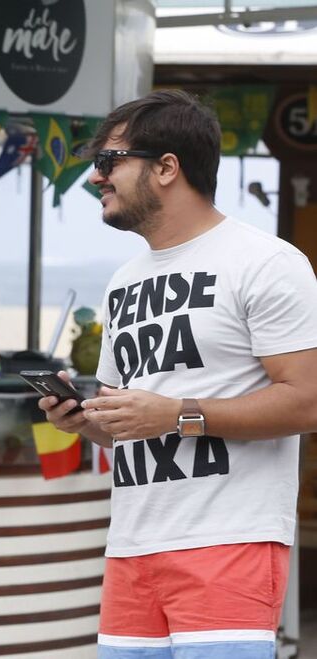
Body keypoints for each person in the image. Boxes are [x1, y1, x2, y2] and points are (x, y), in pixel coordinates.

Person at [40, 89, 317, 658]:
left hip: (229, 541)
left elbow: (307, 402)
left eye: (109, 161)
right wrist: (82, 420)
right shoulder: (123, 282)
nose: (96, 178)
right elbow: (131, 427)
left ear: (167, 167)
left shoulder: (266, 262)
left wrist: (176, 413)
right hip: (132, 546)